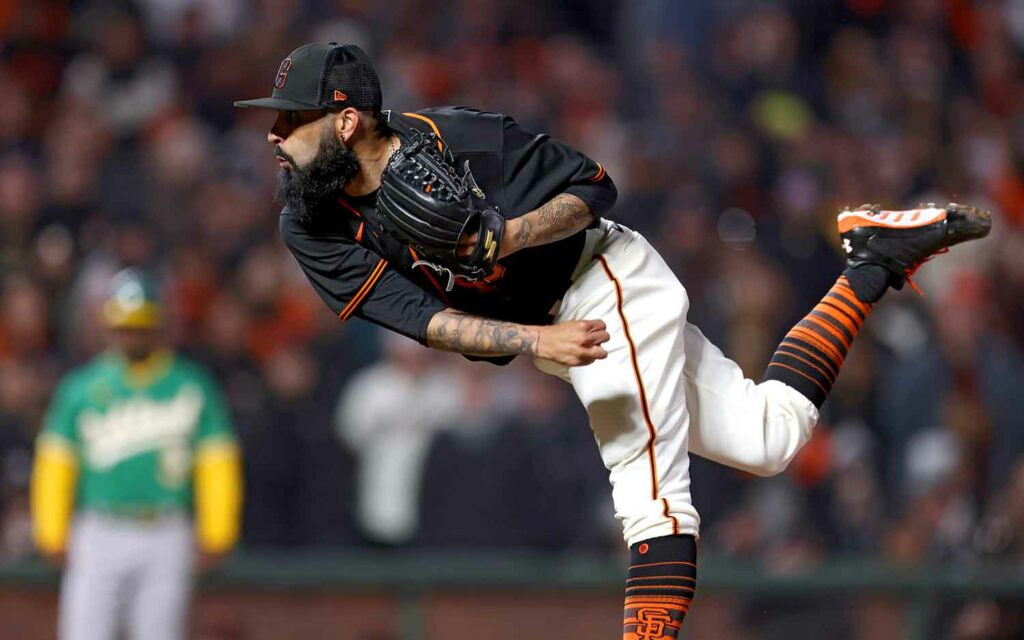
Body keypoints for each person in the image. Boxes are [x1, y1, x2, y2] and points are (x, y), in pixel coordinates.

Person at [235, 43, 990, 639]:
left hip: (605, 276)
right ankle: (873, 263)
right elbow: (420, 320)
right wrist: (533, 341)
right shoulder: (309, 222)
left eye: (288, 121)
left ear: (343, 123)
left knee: (648, 493)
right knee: (770, 437)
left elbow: (594, 187)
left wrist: (509, 236)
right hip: (558, 320)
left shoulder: (456, 137)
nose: (274, 136)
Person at [29, 268, 243, 640]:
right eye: (125, 325)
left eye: (141, 325)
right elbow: (55, 463)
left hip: (166, 528)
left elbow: (217, 461)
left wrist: (217, 530)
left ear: (159, 325)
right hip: (98, 529)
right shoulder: (81, 388)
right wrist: (51, 531)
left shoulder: (190, 385)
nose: (132, 335)